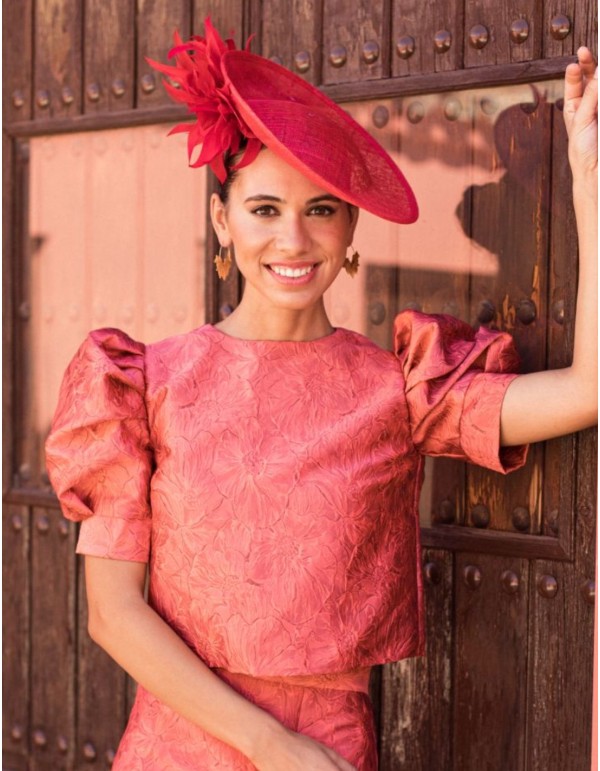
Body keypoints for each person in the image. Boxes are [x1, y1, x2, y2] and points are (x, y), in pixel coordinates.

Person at [45, 19, 597, 771]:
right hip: (182, 744)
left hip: (328, 750)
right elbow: (113, 611)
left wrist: (590, 180)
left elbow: (587, 389)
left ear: (350, 227)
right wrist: (271, 745)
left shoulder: (399, 389)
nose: (293, 240)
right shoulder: (143, 384)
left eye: (321, 210)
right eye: (265, 209)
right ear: (223, 222)